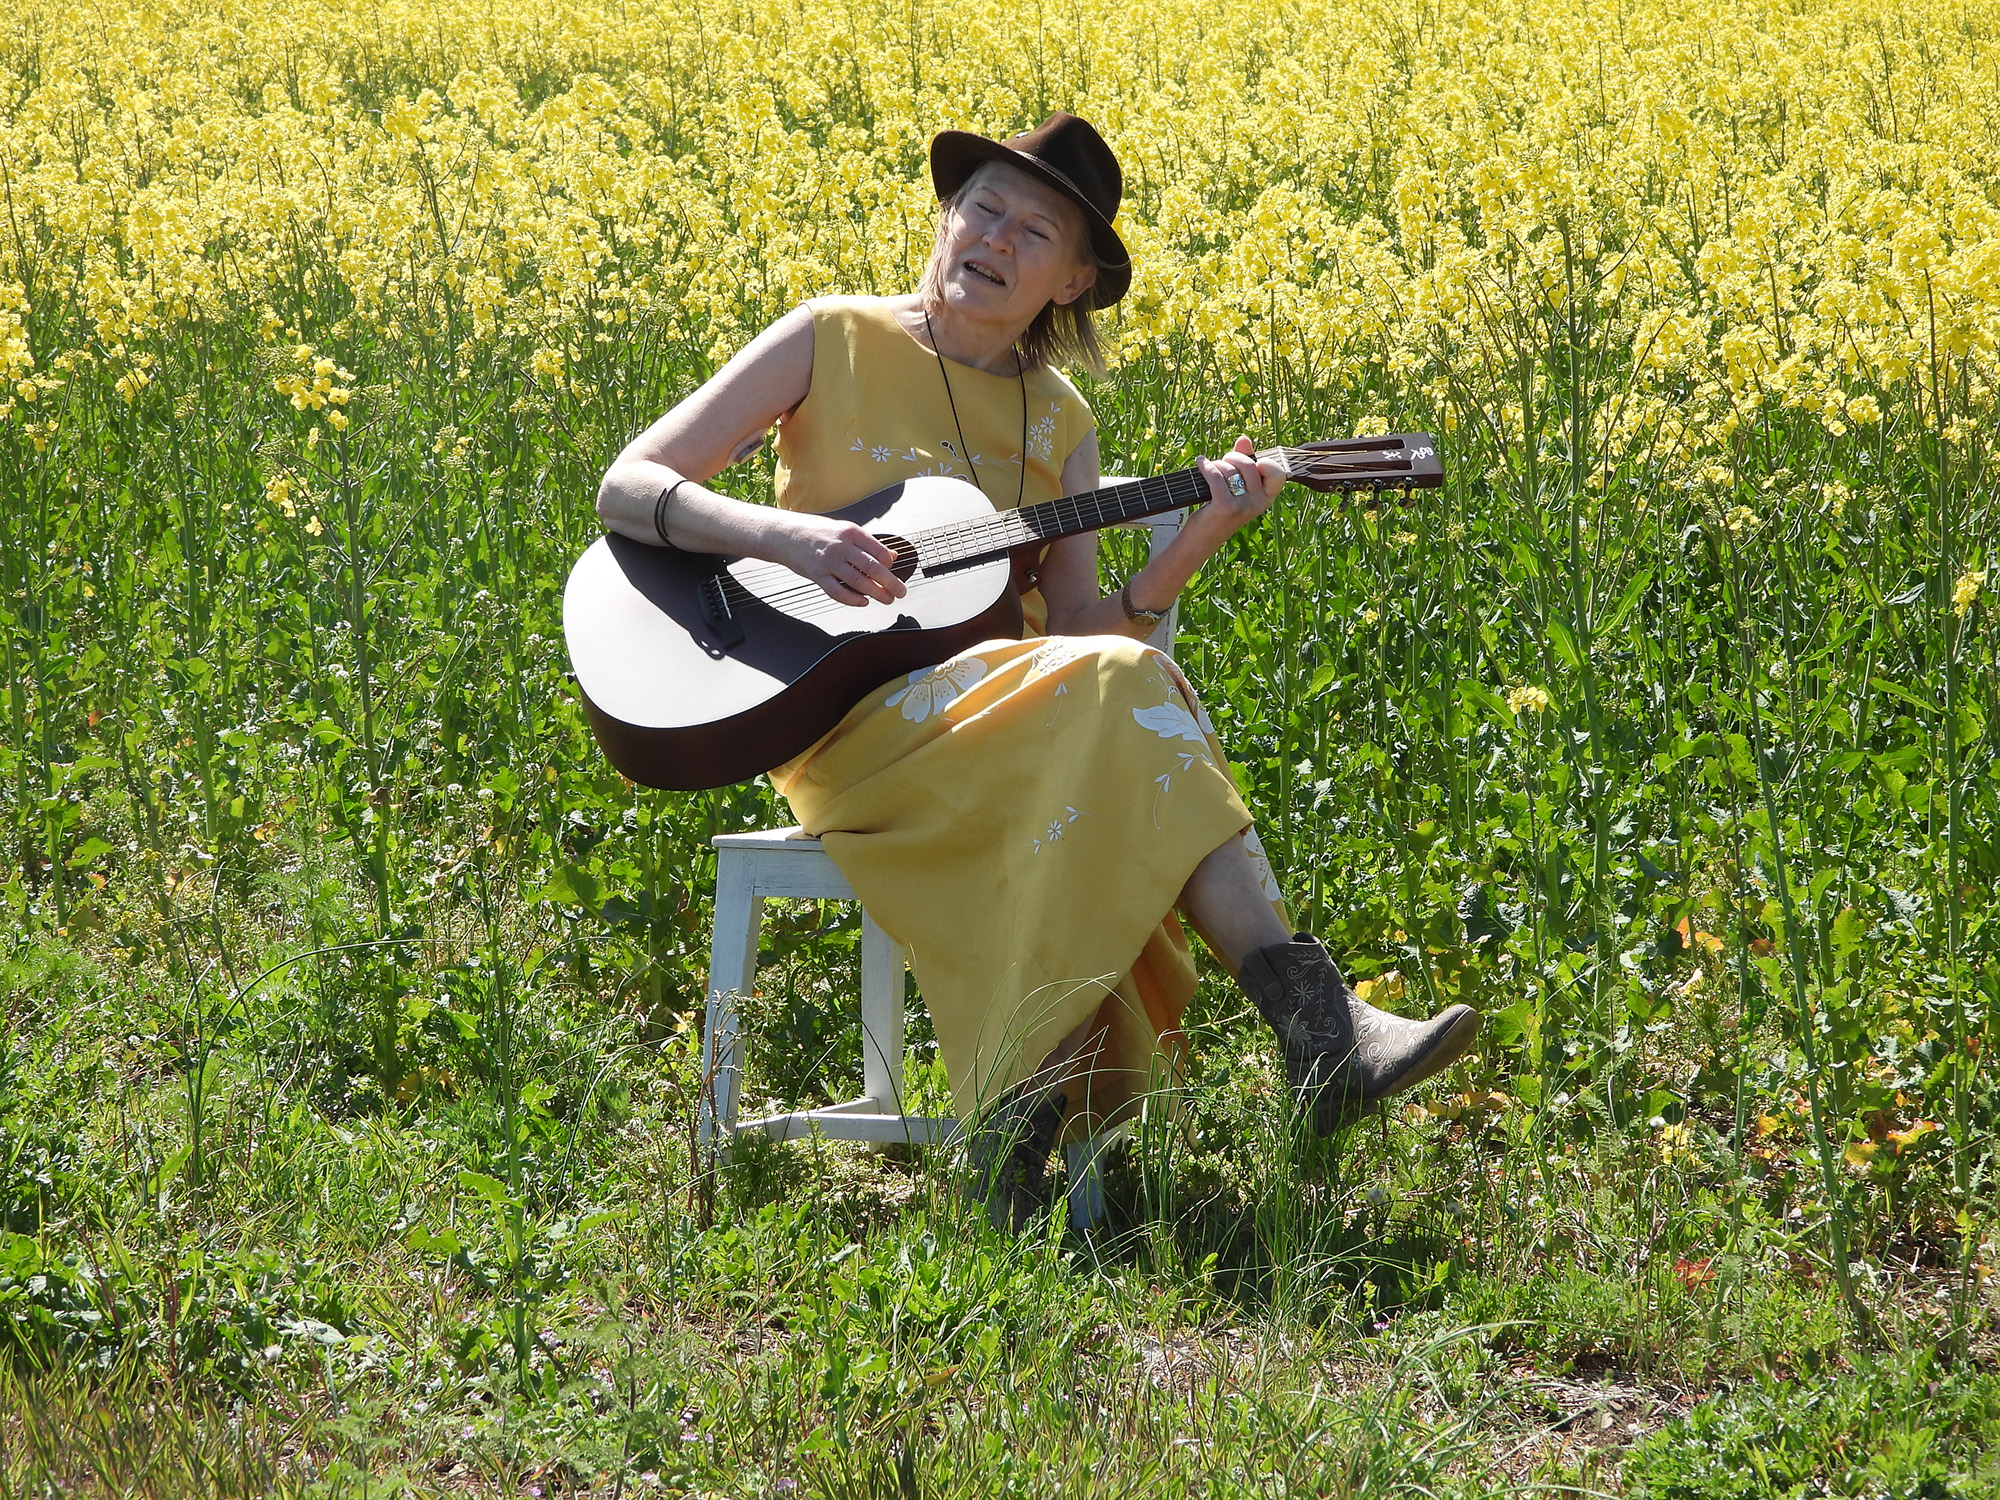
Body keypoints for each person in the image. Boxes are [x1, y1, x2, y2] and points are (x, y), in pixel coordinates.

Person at [595, 113, 1479, 1228]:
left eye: (1035, 230)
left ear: (1072, 280)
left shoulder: (1059, 419)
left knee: (1121, 684)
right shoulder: (830, 336)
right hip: (838, 719)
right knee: (1122, 695)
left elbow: (1087, 633)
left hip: (1007, 720)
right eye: (984, 209)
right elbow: (629, 485)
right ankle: (1311, 1027)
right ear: (947, 220)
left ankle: (1046, 1133)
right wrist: (788, 539)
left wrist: (1194, 539)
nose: (997, 239)